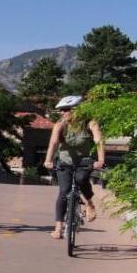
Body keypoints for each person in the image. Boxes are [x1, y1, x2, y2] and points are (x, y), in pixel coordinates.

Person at [43, 94, 106, 238]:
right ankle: (58, 228)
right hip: (64, 162)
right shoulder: (60, 125)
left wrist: (101, 160)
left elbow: (98, 141)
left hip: (84, 161)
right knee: (63, 192)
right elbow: (53, 144)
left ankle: (89, 203)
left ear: (77, 110)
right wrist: (48, 160)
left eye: (66, 109)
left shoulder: (90, 123)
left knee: (81, 179)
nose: (62, 113)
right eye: (61, 110)